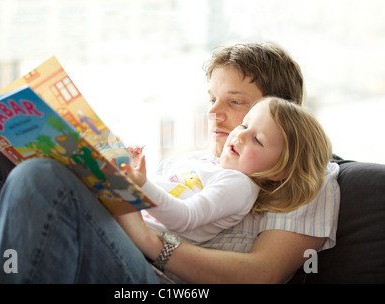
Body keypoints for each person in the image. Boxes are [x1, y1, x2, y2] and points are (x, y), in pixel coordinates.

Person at [0, 42, 340, 284]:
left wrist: (150, 241)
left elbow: (262, 274)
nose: (215, 114)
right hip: (117, 244)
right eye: (211, 99)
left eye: (235, 103)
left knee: (39, 176)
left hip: (160, 276)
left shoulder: (308, 176)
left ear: (284, 115)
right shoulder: (194, 162)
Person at [125, 97, 332, 249]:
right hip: (129, 222)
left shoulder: (238, 185)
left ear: (279, 171)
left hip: (137, 247)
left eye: (257, 139)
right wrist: (133, 170)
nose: (240, 135)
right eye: (244, 124)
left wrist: (142, 185)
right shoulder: (212, 165)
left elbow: (184, 217)